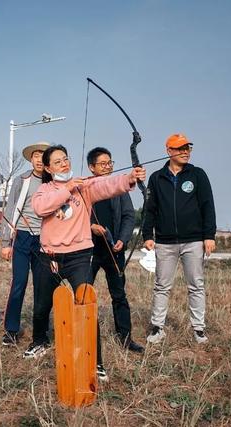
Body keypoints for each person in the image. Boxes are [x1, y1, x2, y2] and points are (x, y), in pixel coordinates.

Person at [26, 145, 145, 382]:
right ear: (48, 168)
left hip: (79, 256)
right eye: (57, 162)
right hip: (49, 256)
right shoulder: (44, 190)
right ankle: (39, 341)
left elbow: (106, 185)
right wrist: (67, 189)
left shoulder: (84, 187)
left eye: (66, 159)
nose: (64, 164)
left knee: (85, 305)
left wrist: (130, 178)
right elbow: (41, 208)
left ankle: (96, 361)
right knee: (41, 306)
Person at [142, 134, 216, 345]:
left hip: (193, 241)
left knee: (196, 285)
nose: (185, 151)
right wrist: (148, 235)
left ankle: (199, 329)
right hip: (164, 242)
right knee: (161, 285)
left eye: (188, 148)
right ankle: (157, 328)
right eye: (180, 148)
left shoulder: (197, 175)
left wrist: (209, 236)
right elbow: (150, 209)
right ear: (169, 151)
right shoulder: (156, 178)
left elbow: (207, 205)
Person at [86, 147, 144, 354]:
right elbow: (74, 217)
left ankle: (126, 338)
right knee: (83, 294)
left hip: (114, 249)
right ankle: (83, 335)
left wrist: (122, 239)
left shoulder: (118, 186)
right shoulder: (85, 187)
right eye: (103, 164)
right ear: (91, 167)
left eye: (110, 163)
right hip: (90, 250)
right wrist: (90, 226)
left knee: (119, 294)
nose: (107, 167)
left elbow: (129, 216)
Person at [0, 141, 49, 346]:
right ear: (31, 159)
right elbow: (10, 209)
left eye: (43, 156)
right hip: (22, 236)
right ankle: (11, 330)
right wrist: (5, 242)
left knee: (43, 286)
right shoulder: (22, 180)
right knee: (19, 282)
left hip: (45, 239)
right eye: (36, 155)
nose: (39, 159)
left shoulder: (54, 182)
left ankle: (42, 331)